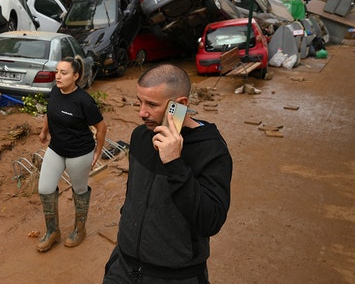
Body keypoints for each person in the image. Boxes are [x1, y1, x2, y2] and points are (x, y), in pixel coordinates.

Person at [103, 64, 232, 283]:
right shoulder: (141, 136)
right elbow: (133, 195)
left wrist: (175, 163)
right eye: (140, 101)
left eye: (152, 104)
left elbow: (210, 222)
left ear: (179, 105)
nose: (141, 112)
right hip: (123, 268)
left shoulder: (211, 151)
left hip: (175, 276)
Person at [37, 56, 107, 252]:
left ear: (76, 76)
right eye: (57, 71)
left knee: (79, 190)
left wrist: (97, 152)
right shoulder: (55, 91)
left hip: (79, 153)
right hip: (56, 149)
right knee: (45, 189)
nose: (58, 76)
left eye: (64, 73)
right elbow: (51, 113)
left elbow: (101, 128)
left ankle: (79, 229)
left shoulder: (84, 101)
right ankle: (53, 232)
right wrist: (44, 131)